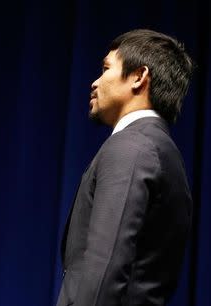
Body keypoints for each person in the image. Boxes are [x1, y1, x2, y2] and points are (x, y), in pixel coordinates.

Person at [57, 29, 193, 306]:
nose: (95, 82)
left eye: (106, 69)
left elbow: (106, 265)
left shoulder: (131, 147)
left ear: (138, 77)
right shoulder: (161, 150)